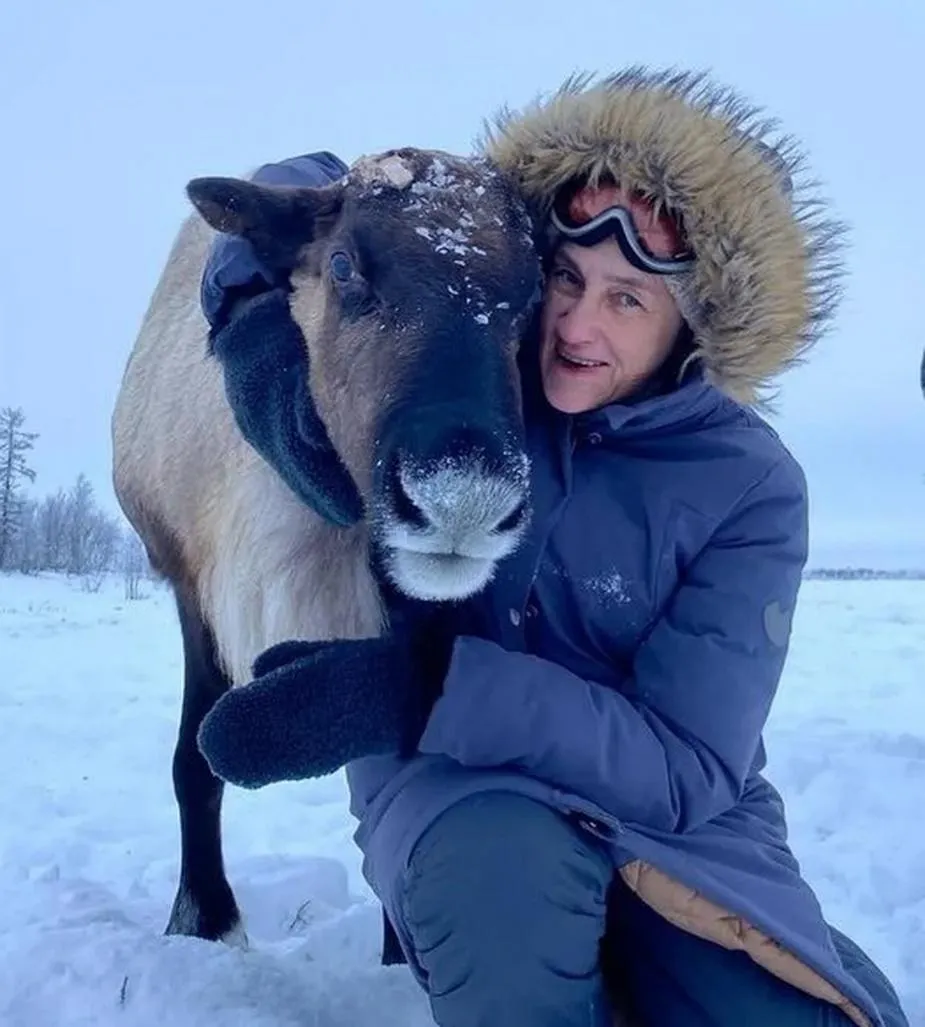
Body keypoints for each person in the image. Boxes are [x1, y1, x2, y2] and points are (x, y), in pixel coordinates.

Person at [193, 69, 909, 1027]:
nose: (575, 326)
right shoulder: (478, 391)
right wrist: (250, 315)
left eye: (627, 300)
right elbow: (312, 188)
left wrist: (416, 690)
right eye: (564, 280)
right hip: (463, 792)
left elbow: (689, 767)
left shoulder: (749, 485)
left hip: (676, 819)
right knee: (506, 911)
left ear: (693, 323)